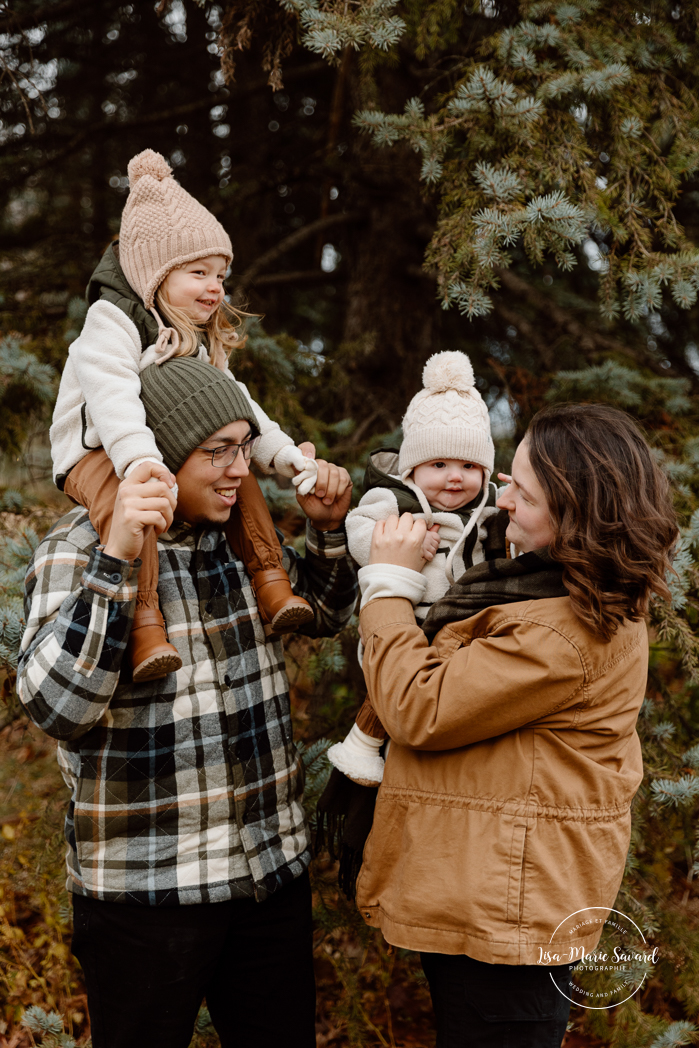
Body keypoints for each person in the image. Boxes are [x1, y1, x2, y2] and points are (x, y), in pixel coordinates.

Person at [18, 358, 357, 1048]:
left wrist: (325, 532)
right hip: (144, 898)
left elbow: (321, 613)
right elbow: (58, 708)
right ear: (162, 456)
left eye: (243, 446)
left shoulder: (237, 541)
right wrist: (115, 563)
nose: (240, 469)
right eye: (217, 452)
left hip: (267, 882)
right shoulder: (76, 549)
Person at [352, 403, 678, 1047]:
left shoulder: (564, 628)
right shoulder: (550, 586)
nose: (500, 496)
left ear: (572, 517)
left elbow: (419, 705)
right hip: (493, 890)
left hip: (512, 913)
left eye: (522, 493)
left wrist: (388, 584)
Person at [50, 148, 320, 683]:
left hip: (150, 448)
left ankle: (271, 580)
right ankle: (146, 624)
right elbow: (112, 396)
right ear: (156, 273)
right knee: (135, 506)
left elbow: (236, 404)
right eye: (199, 272)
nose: (215, 287)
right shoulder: (112, 320)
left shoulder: (186, 336)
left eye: (221, 273)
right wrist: (140, 461)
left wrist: (281, 453)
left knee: (235, 472)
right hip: (97, 453)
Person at [329, 349, 505, 787]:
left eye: (469, 466)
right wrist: (397, 540)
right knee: (394, 686)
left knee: (448, 696)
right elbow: (357, 528)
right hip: (404, 616)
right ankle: (365, 745)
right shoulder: (394, 500)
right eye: (439, 465)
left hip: (466, 625)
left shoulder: (489, 508)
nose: (454, 478)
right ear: (412, 469)